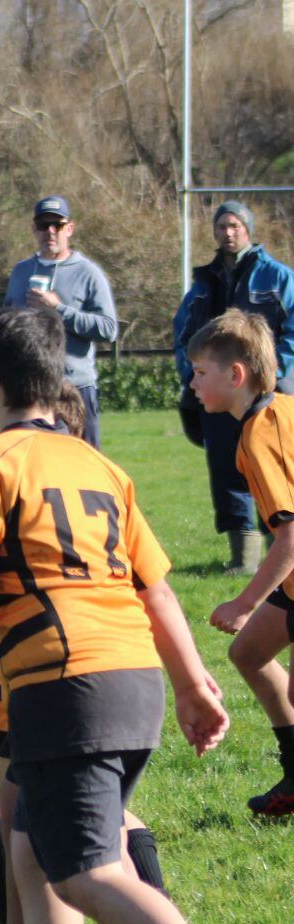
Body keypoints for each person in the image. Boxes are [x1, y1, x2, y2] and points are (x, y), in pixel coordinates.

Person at [0, 308, 280, 924]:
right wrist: (189, 683)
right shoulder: (101, 465)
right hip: (130, 677)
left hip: (63, 681)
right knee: (30, 843)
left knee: (81, 865)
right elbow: (157, 593)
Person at [190, 311, 294, 819]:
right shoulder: (278, 412)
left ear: (236, 376)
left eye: (200, 373)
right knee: (249, 654)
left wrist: (243, 602)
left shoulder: (259, 435)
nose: (192, 383)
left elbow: (291, 537)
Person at [173, 201, 294, 576]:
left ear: (248, 230)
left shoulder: (278, 277)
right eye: (222, 226)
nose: (228, 232)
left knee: (273, 469)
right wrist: (193, 376)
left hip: (268, 395)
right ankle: (243, 559)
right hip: (219, 398)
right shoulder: (203, 281)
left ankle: (282, 549)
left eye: (235, 225)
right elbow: (182, 334)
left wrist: (274, 373)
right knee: (226, 471)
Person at [2, 195, 118, 449]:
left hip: (75, 390)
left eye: (58, 225)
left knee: (85, 469)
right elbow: (5, 324)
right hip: (29, 390)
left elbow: (109, 329)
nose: (50, 232)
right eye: (43, 225)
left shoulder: (88, 273)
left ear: (70, 229)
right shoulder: (21, 272)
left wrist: (59, 310)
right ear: (34, 229)